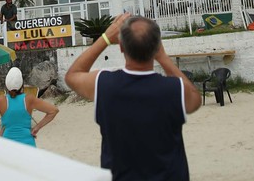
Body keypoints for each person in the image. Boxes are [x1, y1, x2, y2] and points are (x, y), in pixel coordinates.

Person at [64, 13, 201, 180]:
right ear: (157, 47)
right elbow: (195, 100)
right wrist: (163, 57)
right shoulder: (173, 89)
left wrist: (106, 38)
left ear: (121, 47)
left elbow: (72, 75)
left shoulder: (104, 85)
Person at [0, 66, 58, 146]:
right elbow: (53, 111)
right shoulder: (29, 99)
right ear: (22, 84)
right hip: (27, 143)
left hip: (7, 145)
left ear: (6, 84)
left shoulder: (1, 101)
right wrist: (36, 128)